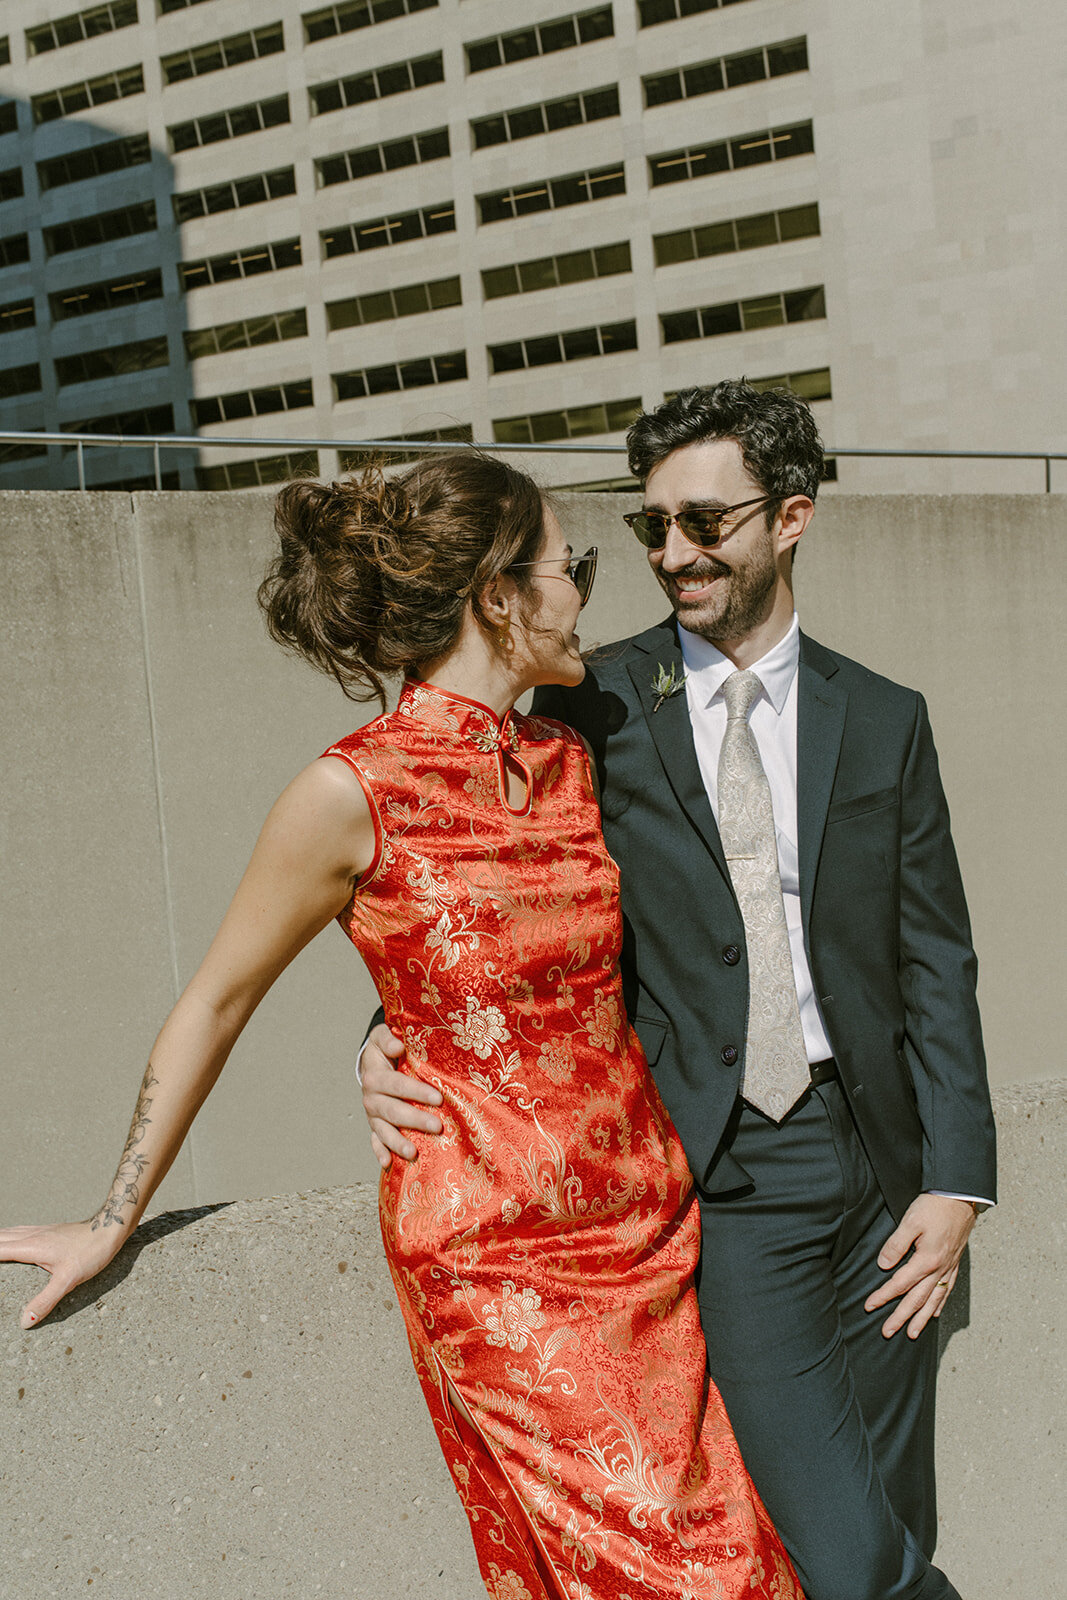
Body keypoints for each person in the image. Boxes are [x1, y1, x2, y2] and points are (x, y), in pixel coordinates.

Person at [0, 454, 804, 1600]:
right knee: (707, 1580)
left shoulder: (573, 758)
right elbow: (217, 999)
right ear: (496, 595)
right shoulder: (350, 793)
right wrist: (110, 1212)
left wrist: (389, 1028)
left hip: (650, 1237)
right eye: (563, 567)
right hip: (496, 1263)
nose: (584, 590)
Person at [358, 385, 998, 1600]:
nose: (669, 555)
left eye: (703, 523)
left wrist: (955, 1181)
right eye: (651, 527)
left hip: (884, 1177)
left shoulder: (883, 717)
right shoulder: (587, 706)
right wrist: (386, 1033)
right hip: (724, 1173)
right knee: (845, 1553)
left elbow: (934, 960)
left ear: (788, 518)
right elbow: (483, 904)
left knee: (888, 1504)